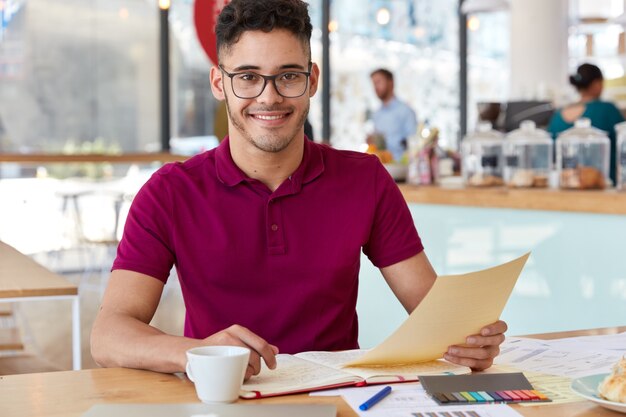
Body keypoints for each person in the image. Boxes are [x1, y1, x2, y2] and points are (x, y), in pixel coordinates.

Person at [91, 0, 507, 381]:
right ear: (219, 83)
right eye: (248, 77)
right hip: (224, 397)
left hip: (339, 399)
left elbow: (433, 313)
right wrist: (196, 354)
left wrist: (469, 340)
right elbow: (109, 335)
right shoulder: (169, 193)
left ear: (312, 80)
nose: (269, 97)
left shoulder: (365, 180)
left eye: (288, 76)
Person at [548, 63, 625, 184]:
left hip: (567, 185)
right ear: (596, 84)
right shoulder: (606, 109)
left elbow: (550, 154)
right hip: (604, 186)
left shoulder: (558, 114)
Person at [370, 68, 418, 161]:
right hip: (381, 167)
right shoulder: (377, 114)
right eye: (374, 83)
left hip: (401, 169)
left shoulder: (406, 111)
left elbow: (414, 144)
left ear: (391, 82)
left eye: (379, 82)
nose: (376, 87)